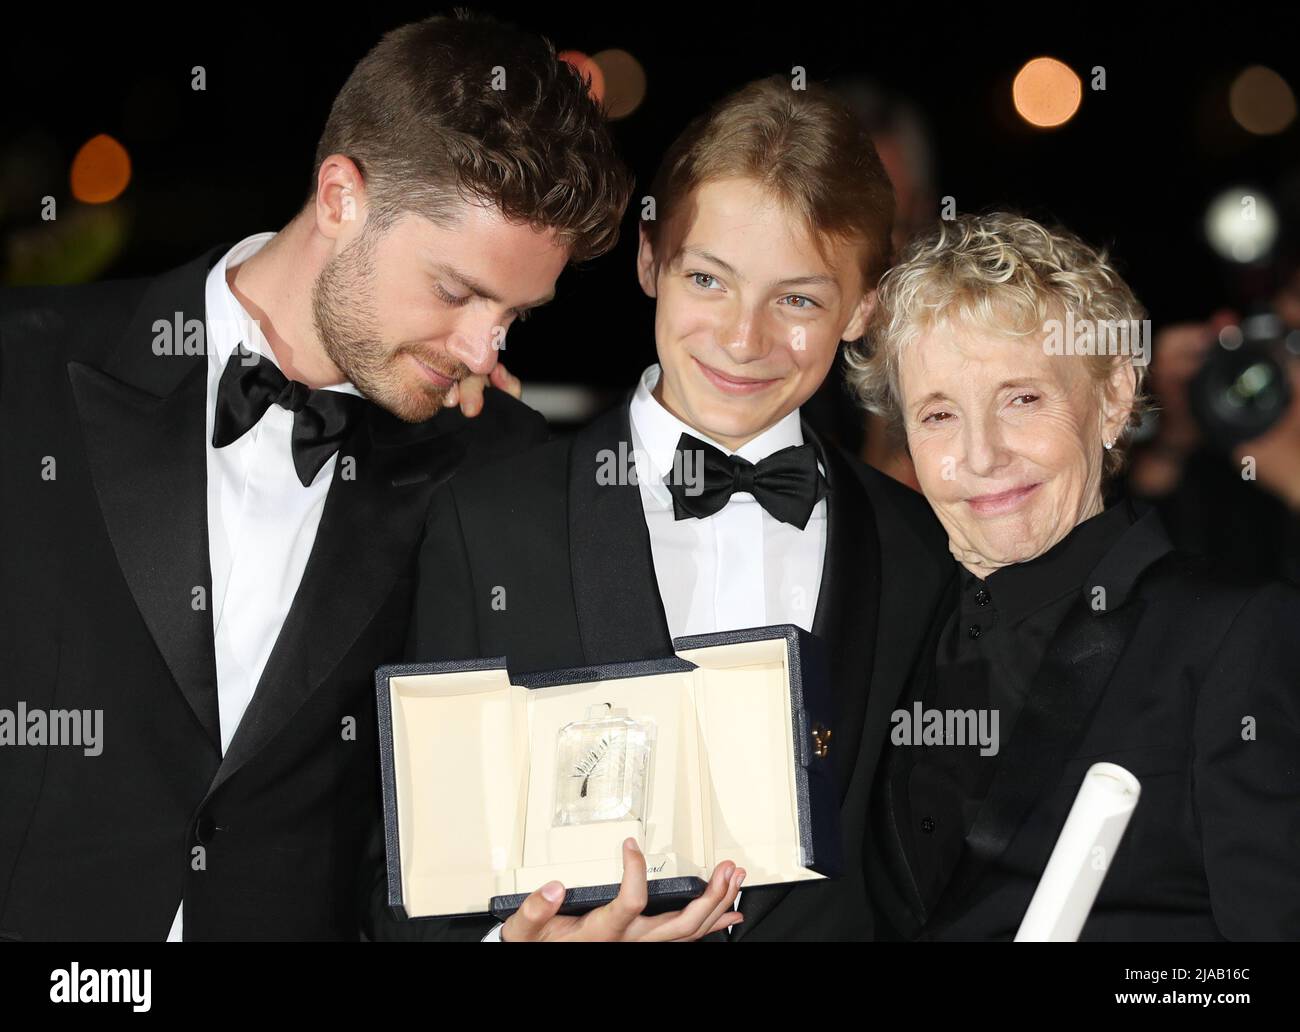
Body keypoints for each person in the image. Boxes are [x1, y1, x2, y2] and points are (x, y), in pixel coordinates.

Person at [0, 10, 633, 941]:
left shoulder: (499, 465)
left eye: (514, 315)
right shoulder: (25, 369)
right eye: (457, 291)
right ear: (340, 197)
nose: (479, 346)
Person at [365, 75, 953, 943]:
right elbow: (413, 878)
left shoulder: (920, 547)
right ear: (649, 259)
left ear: (864, 306)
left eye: (797, 299)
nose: (744, 339)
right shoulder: (488, 520)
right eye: (709, 280)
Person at [844, 211, 1300, 940]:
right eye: (938, 416)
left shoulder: (1232, 637)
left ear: (1114, 395)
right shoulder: (881, 633)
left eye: (1021, 399)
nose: (982, 455)